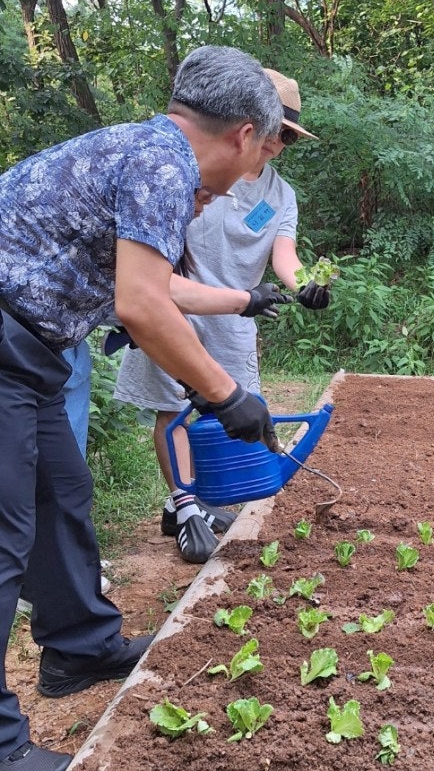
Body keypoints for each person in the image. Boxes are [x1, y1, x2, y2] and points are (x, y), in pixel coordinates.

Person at [0, 45, 284, 771]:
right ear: (243, 134)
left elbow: (160, 286)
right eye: (264, 148)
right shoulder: (163, 161)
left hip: (26, 354)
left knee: (60, 490)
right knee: (3, 531)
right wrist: (229, 397)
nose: (253, 168)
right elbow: (142, 306)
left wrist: (246, 304)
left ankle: (78, 649)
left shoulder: (148, 151)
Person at [113, 69, 329, 564]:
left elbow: (285, 255)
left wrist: (305, 286)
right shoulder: (197, 169)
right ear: (248, 127)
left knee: (228, 408)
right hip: (173, 305)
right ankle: (185, 505)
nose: (280, 145)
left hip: (236, 315)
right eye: (277, 133)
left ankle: (200, 498)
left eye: (289, 138)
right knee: (177, 408)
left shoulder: (279, 196)